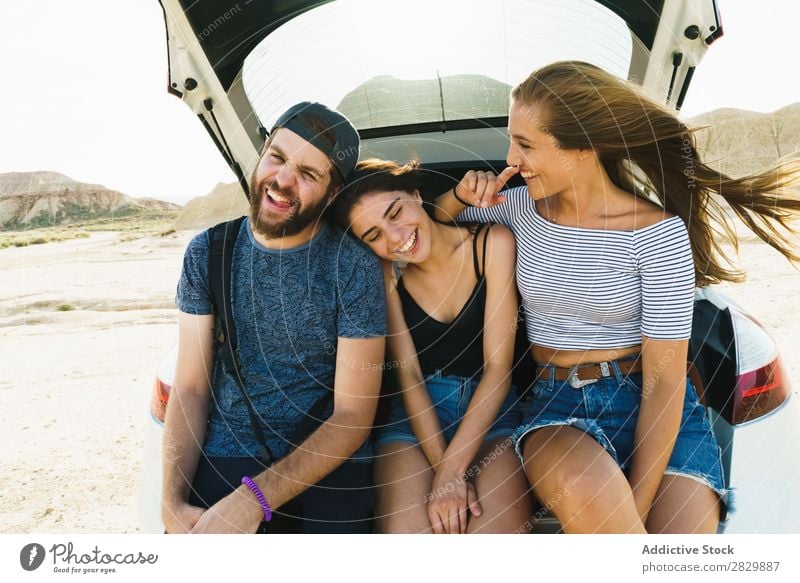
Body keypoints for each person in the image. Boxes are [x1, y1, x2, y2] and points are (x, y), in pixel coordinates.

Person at [435, 61, 800, 533]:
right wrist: (459, 197)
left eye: (525, 144)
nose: (510, 158)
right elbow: (427, 237)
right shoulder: (518, 207)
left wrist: (637, 510)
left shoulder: (659, 234)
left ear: (585, 147)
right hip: (557, 410)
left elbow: (666, 383)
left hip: (658, 406)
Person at [162, 102, 387, 534]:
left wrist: (254, 500)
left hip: (329, 459)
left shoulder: (352, 266)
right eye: (278, 158)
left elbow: (353, 415)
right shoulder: (208, 253)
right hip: (228, 453)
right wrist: (171, 502)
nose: (283, 181)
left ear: (333, 193)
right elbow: (190, 387)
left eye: (308, 174)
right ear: (263, 150)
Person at [329, 159, 532, 533]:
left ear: (418, 196)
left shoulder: (493, 243)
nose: (394, 238)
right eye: (373, 236)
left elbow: (499, 368)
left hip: (492, 416)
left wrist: (453, 472)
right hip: (414, 420)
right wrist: (445, 473)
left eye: (395, 213)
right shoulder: (384, 273)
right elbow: (407, 375)